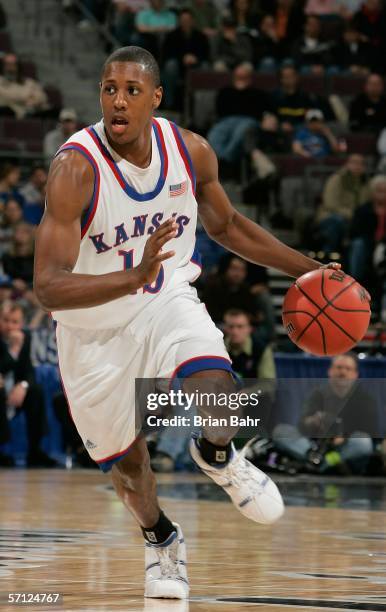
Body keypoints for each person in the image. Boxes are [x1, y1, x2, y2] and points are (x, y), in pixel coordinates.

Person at [34, 46, 341, 600]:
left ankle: (219, 453)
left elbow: (227, 225)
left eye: (131, 89)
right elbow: (48, 285)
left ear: (156, 97)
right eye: (109, 88)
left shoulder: (190, 151)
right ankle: (162, 540)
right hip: (92, 329)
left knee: (220, 391)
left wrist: (311, 271)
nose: (118, 100)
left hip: (163, 300)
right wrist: (129, 277)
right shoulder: (75, 169)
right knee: (129, 468)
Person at [273, 353, 378, 474]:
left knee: (363, 442)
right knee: (281, 431)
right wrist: (312, 421)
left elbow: (371, 432)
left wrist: (344, 437)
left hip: (343, 449)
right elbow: (301, 426)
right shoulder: (318, 394)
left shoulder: (365, 400)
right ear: (330, 371)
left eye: (348, 369)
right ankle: (317, 461)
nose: (342, 372)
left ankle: (320, 464)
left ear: (355, 375)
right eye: (338, 367)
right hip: (315, 446)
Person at [0, 303, 56, 467]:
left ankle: (35, 451)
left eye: (15, 321)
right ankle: (2, 451)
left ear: (22, 324)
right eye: (5, 320)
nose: (10, 325)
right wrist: (14, 350)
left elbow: (29, 371)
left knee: (35, 392)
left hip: (14, 391)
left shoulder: (26, 337)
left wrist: (23, 385)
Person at [207, 63, 267, 164]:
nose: (241, 79)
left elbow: (263, 112)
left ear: (249, 78)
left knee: (240, 132)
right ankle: (219, 159)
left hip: (248, 121)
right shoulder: (225, 91)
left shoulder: (258, 93)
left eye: (244, 77)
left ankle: (225, 160)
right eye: (238, 77)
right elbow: (219, 110)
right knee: (214, 134)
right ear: (234, 77)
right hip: (226, 121)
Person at [315, 153, 370, 251]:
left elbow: (365, 204)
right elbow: (330, 204)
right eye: (354, 162)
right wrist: (351, 214)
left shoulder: (365, 183)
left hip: (354, 219)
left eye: (361, 163)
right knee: (337, 222)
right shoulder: (337, 179)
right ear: (347, 164)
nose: (357, 166)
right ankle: (327, 255)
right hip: (330, 216)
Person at [161, 8, 210, 110]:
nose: (185, 22)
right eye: (183, 20)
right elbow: (166, 54)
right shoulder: (172, 36)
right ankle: (169, 104)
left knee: (205, 66)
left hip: (196, 65)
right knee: (170, 65)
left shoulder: (201, 36)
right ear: (179, 21)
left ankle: (202, 106)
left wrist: (196, 59)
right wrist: (182, 58)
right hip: (177, 67)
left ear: (193, 21)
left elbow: (206, 55)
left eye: (188, 20)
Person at [348, 174, 386, 285]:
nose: (382, 195)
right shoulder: (363, 210)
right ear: (372, 192)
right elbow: (354, 232)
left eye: (385, 191)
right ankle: (354, 283)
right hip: (367, 244)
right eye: (379, 191)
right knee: (358, 245)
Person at [0, 53, 48, 119]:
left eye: (13, 64)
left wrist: (33, 101)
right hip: (8, 115)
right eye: (7, 64)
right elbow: (5, 97)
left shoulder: (29, 82)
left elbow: (42, 97)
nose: (10, 68)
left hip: (29, 114)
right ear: (3, 66)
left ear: (18, 66)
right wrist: (27, 98)